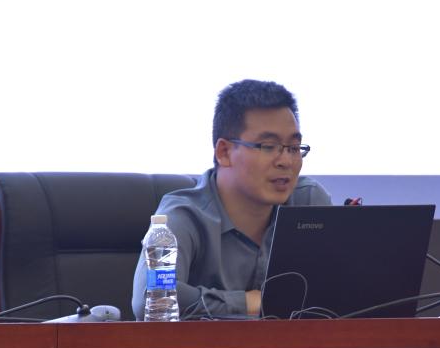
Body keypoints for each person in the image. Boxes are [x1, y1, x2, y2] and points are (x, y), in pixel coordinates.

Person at [132, 79, 332, 320]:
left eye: (293, 147)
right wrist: (249, 302)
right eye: (268, 146)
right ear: (224, 152)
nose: (286, 161)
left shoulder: (308, 200)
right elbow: (151, 299)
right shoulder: (184, 215)